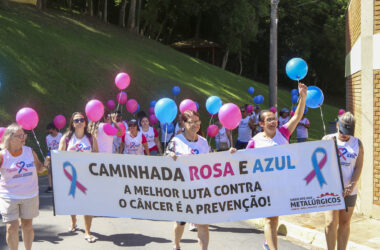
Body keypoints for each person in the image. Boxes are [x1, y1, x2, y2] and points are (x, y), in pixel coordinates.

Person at [231, 82, 307, 250]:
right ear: (261, 124)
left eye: (274, 118)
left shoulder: (284, 133)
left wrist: (303, 97)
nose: (273, 121)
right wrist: (234, 153)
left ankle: (267, 242)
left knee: (275, 217)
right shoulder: (254, 141)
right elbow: (244, 161)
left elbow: (297, 116)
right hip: (264, 186)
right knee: (270, 219)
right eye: (269, 120)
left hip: (282, 184)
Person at [165, 110, 210, 250]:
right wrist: (169, 156)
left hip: (200, 189)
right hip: (182, 190)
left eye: (197, 121)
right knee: (181, 222)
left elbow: (214, 162)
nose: (196, 125)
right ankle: (177, 245)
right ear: (184, 123)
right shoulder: (176, 140)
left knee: (203, 223)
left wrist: (230, 154)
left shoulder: (203, 142)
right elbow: (164, 159)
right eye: (192, 122)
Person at [0, 123, 48, 250]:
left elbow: (39, 169)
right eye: (19, 135)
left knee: (27, 226)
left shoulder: (29, 151)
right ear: (9, 138)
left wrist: (46, 164)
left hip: (30, 194)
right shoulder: (2, 155)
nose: (23, 138)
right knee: (11, 228)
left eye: (24, 135)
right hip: (9, 196)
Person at [323, 112, 363, 250]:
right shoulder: (328, 138)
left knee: (345, 223)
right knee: (330, 222)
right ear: (337, 125)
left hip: (349, 191)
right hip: (330, 189)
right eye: (342, 131)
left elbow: (358, 166)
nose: (344, 135)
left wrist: (352, 185)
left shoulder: (357, 143)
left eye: (348, 132)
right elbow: (318, 164)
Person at [58, 112, 99, 243]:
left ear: (85, 122)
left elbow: (97, 156)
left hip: (88, 176)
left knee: (88, 205)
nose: (79, 122)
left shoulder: (91, 138)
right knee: (73, 204)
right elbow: (60, 156)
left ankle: (88, 232)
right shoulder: (66, 138)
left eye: (82, 120)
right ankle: (74, 221)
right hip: (71, 178)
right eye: (76, 120)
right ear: (72, 123)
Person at [45, 122, 62, 193]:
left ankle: (60, 185)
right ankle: (50, 186)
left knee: (60, 171)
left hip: (60, 155)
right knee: (49, 170)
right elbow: (48, 147)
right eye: (49, 132)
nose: (50, 133)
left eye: (51, 131)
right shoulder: (47, 137)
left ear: (55, 129)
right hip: (51, 155)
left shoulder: (60, 135)